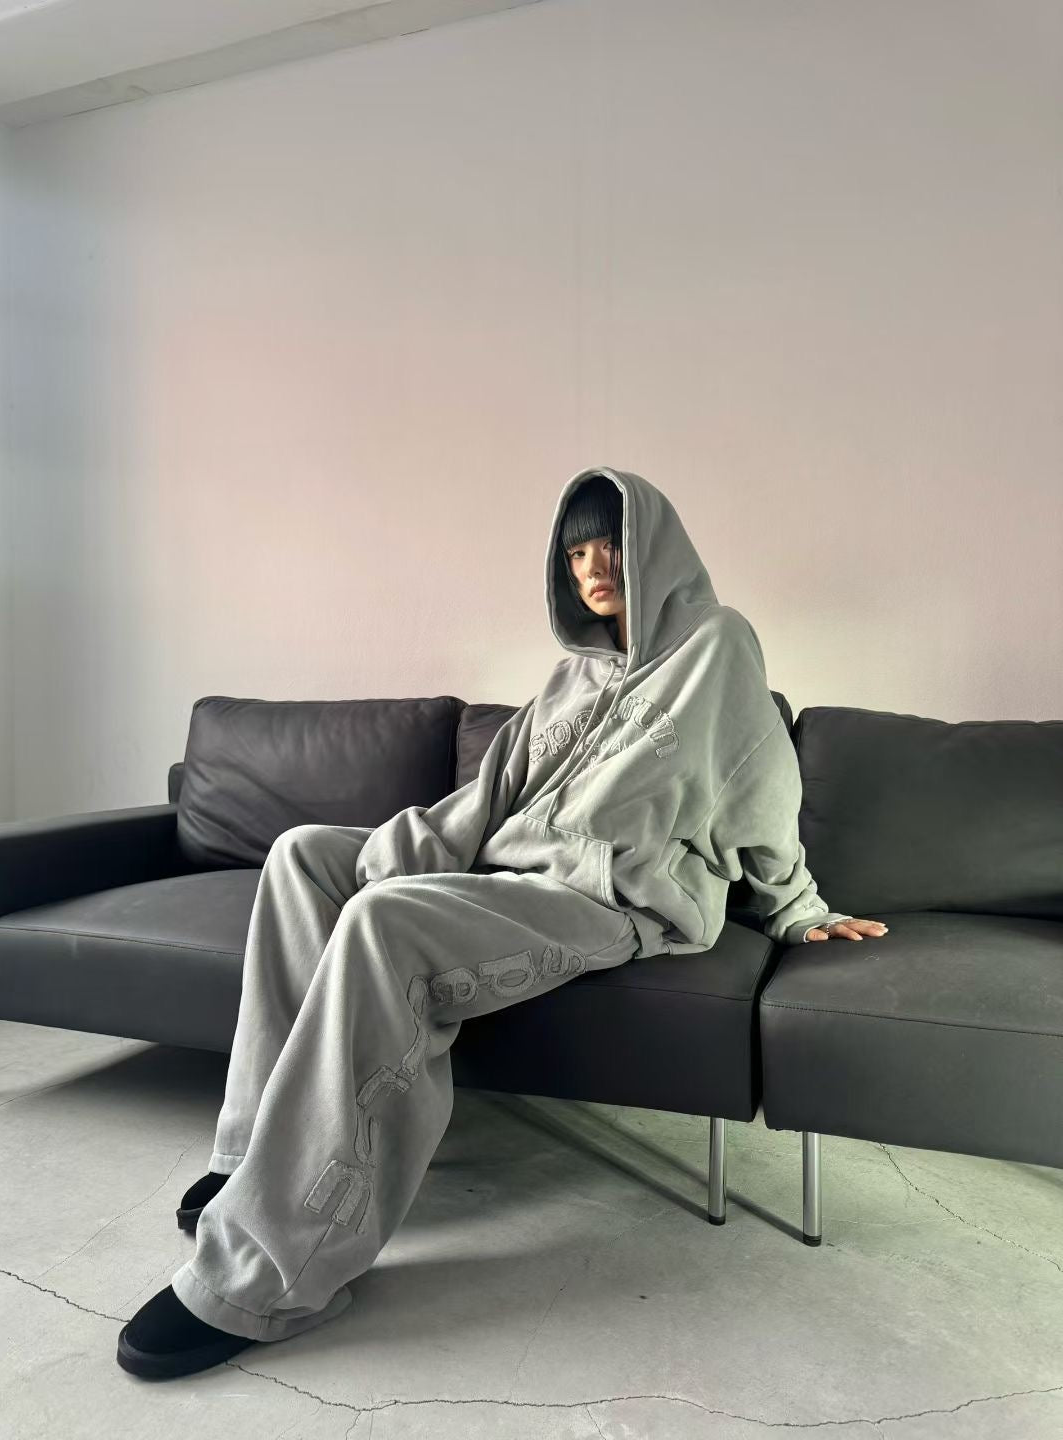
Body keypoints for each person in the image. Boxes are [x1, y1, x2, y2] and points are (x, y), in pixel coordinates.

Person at [116, 467, 887, 1379]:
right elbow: (488, 800)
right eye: (577, 552)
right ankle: (253, 1156)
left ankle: (267, 1269)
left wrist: (799, 909)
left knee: (383, 926)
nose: (594, 567)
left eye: (611, 544)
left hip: (613, 898)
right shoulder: (570, 678)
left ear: (653, 547)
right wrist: (393, 853)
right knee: (301, 855)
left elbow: (762, 788)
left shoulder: (719, 646)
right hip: (509, 872)